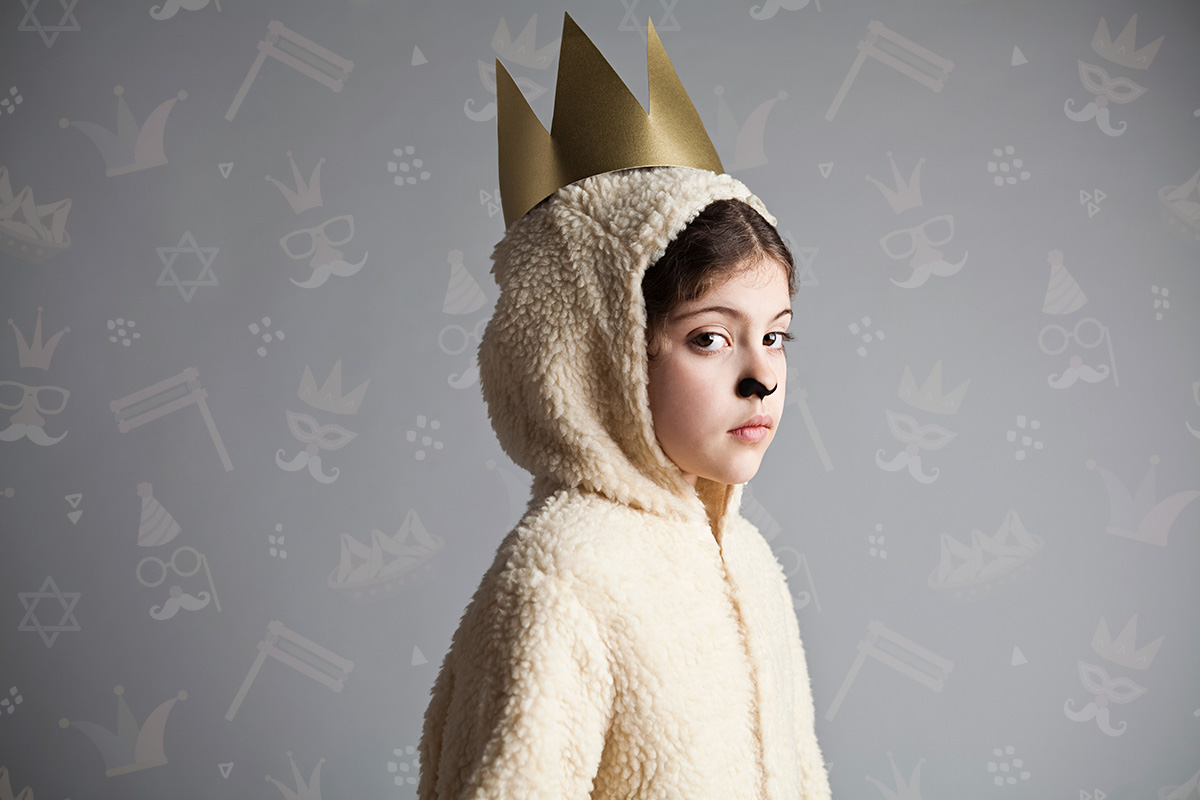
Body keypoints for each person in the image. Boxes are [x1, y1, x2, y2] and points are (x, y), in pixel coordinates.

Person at [418, 15, 829, 800]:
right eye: (710, 339)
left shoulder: (751, 567)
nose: (761, 379)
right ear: (597, 359)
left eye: (775, 338)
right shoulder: (559, 580)